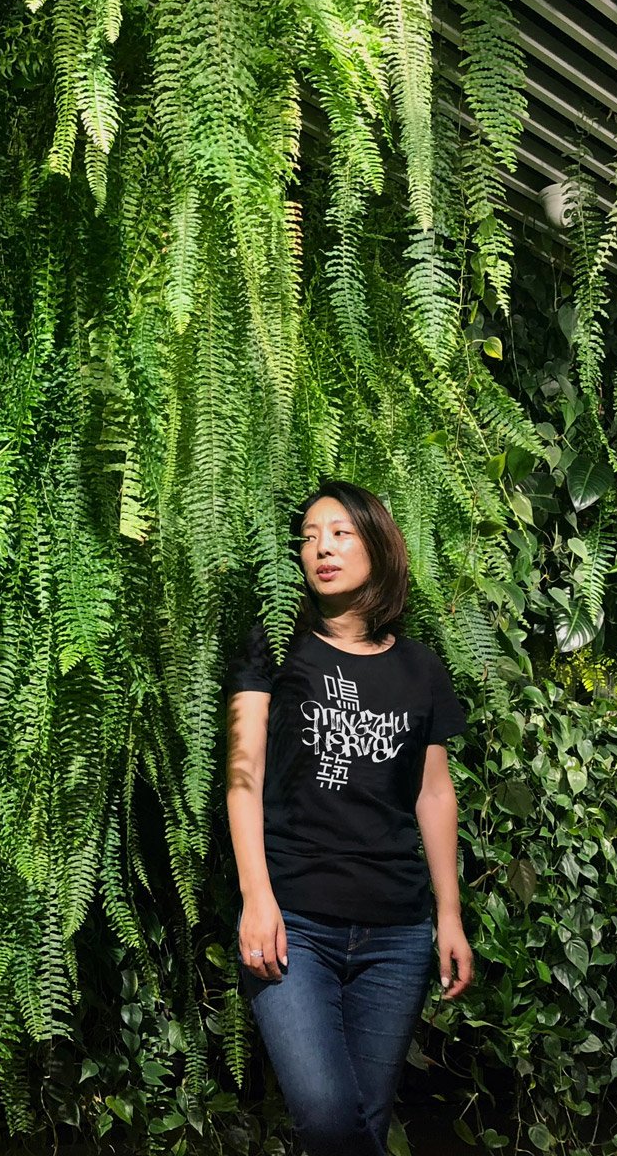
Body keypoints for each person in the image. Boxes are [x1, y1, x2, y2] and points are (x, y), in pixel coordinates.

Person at [224, 479, 473, 1156]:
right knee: (330, 1121)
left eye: (339, 533)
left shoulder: (421, 670)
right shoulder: (273, 648)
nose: (320, 548)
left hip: (397, 932)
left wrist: (448, 916)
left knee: (365, 1122)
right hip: (295, 924)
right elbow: (241, 780)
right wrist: (256, 898)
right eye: (307, 538)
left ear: (380, 545)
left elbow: (434, 795)